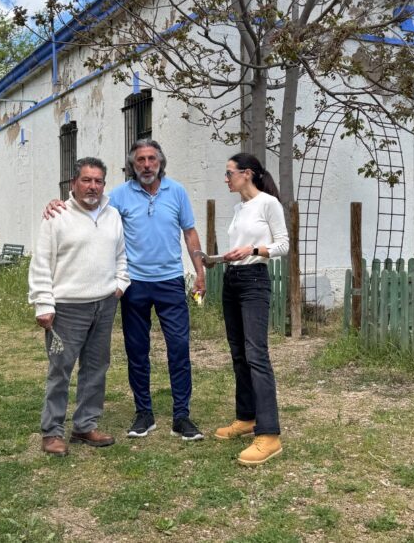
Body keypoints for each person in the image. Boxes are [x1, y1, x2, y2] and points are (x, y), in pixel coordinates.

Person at [45, 139, 207, 441]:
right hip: (134, 286)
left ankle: (181, 416)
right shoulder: (117, 196)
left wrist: (199, 271)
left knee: (179, 349)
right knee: (137, 351)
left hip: (171, 282)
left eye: (152, 159)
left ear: (160, 161)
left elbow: (190, 231)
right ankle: (144, 413)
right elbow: (87, 207)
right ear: (132, 165)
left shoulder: (178, 192)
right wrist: (57, 204)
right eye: (140, 160)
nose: (147, 165)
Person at [29, 157, 129, 457]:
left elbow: (121, 255)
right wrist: (43, 303)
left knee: (96, 369)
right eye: (87, 180)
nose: (93, 186)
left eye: (98, 181)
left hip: (104, 304)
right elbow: (41, 263)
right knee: (60, 370)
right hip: (67, 308)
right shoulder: (56, 216)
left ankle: (85, 425)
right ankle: (52, 431)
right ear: (74, 183)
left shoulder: (112, 215)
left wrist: (120, 284)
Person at [210, 152, 289, 466]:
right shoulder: (239, 208)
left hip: (255, 280)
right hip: (232, 279)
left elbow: (283, 244)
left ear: (247, 174)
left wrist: (253, 250)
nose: (225, 178)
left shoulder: (268, 203)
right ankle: (246, 417)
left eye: (229, 172)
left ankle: (269, 434)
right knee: (238, 352)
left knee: (256, 353)